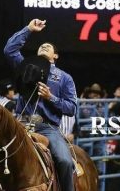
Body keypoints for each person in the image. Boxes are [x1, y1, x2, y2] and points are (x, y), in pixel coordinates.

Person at [4, 18, 77, 191]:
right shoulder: (25, 67)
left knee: (65, 161)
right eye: (41, 45)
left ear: (55, 56)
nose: (44, 46)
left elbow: (72, 108)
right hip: (20, 124)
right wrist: (28, 29)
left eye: (48, 47)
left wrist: (51, 97)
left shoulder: (65, 78)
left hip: (47, 128)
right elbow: (9, 50)